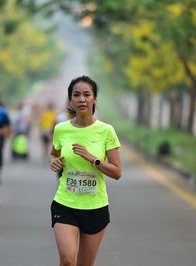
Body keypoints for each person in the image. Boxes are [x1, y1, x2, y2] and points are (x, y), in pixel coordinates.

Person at [49, 76, 122, 266]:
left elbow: (116, 172)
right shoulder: (61, 129)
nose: (81, 99)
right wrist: (53, 162)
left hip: (95, 207)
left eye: (86, 94)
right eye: (76, 95)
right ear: (71, 100)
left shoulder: (106, 131)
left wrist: (94, 159)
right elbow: (53, 154)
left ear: (94, 99)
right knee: (67, 260)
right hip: (65, 203)